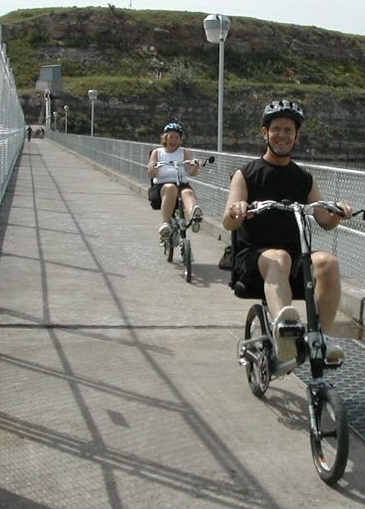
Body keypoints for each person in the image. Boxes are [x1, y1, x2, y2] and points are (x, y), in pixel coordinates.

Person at [222, 100, 353, 366]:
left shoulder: (305, 178)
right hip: (254, 259)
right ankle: (286, 334)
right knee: (278, 257)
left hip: (295, 258)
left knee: (328, 262)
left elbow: (325, 221)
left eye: (288, 131)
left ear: (297, 136)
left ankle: (322, 339)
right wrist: (237, 210)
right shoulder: (245, 174)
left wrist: (338, 212)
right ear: (265, 133)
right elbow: (228, 222)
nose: (282, 135)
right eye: (276, 129)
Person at [147, 122, 203, 238]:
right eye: (171, 137)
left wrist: (196, 165)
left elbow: (192, 172)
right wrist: (152, 166)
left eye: (176, 137)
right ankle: (166, 223)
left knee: (188, 192)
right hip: (162, 186)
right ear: (165, 137)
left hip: (181, 183)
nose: (173, 140)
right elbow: (152, 174)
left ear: (180, 139)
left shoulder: (184, 152)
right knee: (170, 188)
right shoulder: (157, 152)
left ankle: (194, 215)